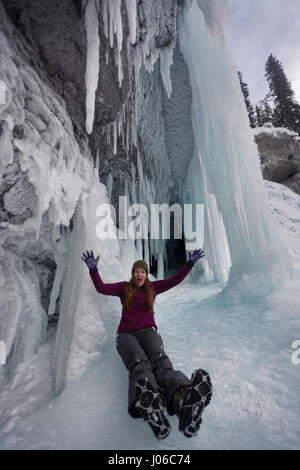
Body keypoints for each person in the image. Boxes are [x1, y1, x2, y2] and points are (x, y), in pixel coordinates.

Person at [81, 249, 212, 439]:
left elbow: (175, 280)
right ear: (133, 274)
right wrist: (93, 270)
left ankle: (182, 398)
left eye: (142, 271)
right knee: (139, 363)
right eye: (136, 271)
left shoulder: (153, 288)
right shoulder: (124, 288)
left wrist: (189, 264)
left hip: (149, 331)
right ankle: (149, 400)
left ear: (145, 274)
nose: (139, 274)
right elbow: (101, 288)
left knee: (160, 361)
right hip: (126, 335)